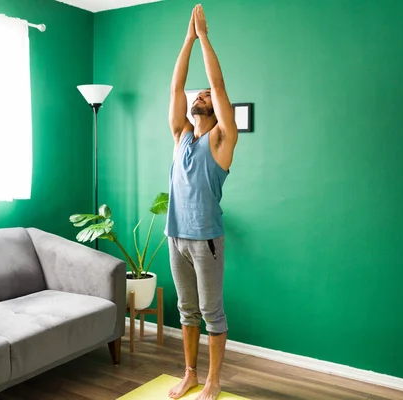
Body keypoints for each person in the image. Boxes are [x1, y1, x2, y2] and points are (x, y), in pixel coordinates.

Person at [165, 4, 238, 400]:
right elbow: (176, 88)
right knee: (186, 311)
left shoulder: (221, 141)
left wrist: (205, 37)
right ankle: (190, 373)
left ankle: (213, 380)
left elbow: (220, 85)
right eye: (201, 95)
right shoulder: (181, 137)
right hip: (175, 235)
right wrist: (188, 39)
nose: (202, 96)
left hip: (206, 240)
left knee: (212, 313)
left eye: (207, 96)